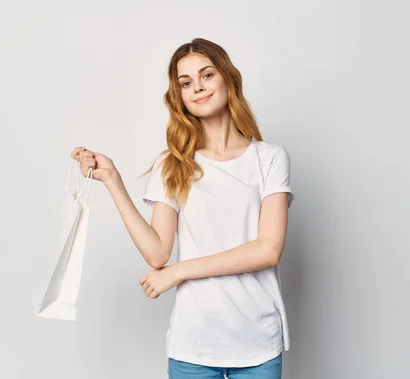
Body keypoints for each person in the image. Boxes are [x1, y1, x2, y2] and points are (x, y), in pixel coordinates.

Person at [71, 38, 295, 379]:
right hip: (194, 344)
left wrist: (181, 271)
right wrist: (113, 180)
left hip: (257, 343)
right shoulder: (173, 166)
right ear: (179, 97)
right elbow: (158, 253)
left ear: (228, 79)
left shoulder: (269, 159)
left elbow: (268, 250)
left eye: (207, 75)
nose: (198, 87)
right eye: (186, 83)